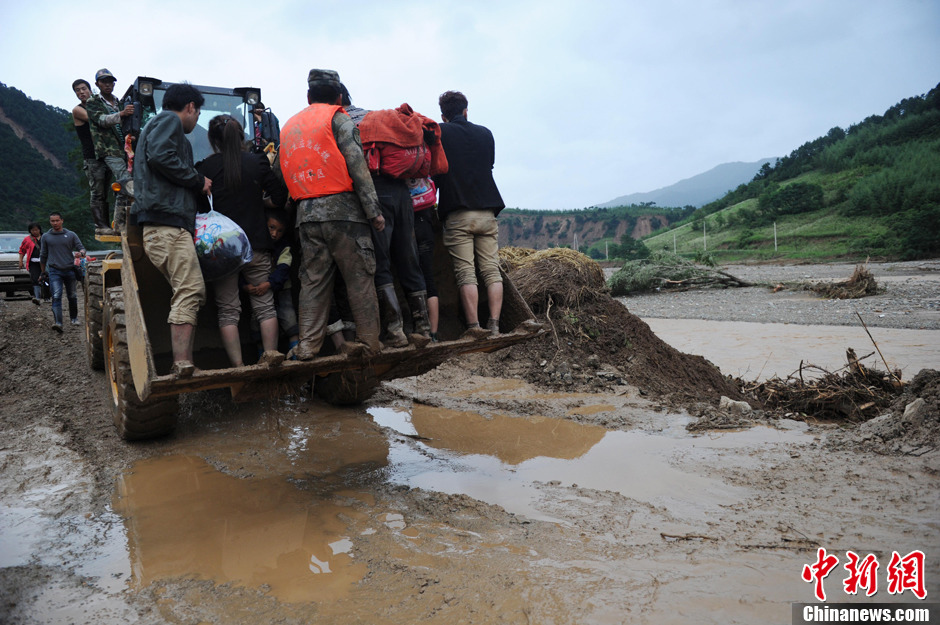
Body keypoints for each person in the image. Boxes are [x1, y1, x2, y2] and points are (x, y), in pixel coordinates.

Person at [278, 68, 386, 360]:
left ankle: (308, 346)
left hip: (307, 215)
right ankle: (368, 343)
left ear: (309, 96)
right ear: (339, 96)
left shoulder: (289, 126)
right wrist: (374, 211)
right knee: (360, 278)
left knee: (313, 282)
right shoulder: (339, 119)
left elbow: (281, 170)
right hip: (345, 214)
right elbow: (357, 167)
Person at [131, 83, 212, 378]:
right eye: (198, 112)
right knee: (190, 289)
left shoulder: (157, 125)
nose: (196, 119)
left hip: (164, 226)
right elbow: (162, 156)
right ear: (190, 106)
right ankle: (181, 364)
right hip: (166, 227)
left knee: (187, 290)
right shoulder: (168, 121)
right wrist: (197, 179)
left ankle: (184, 362)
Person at [341, 86, 432, 348]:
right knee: (409, 259)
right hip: (402, 193)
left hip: (375, 194)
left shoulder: (342, 122)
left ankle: (395, 331)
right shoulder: (374, 117)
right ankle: (423, 329)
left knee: (380, 262)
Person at [196, 114, 287, 368]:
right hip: (256, 243)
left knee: (228, 311)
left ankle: (238, 368)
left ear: (214, 140)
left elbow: (201, 207)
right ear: (241, 136)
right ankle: (270, 360)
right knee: (265, 307)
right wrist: (261, 203)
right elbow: (279, 197)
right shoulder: (257, 162)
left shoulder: (205, 168)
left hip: (223, 249)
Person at [433, 90, 505, 339]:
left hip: (458, 213)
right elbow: (489, 166)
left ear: (443, 116)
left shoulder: (440, 134)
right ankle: (495, 325)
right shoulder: (486, 134)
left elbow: (436, 174)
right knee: (491, 271)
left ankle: (474, 328)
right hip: (487, 212)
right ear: (466, 110)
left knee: (466, 273)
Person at [243, 210, 300, 355]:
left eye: (280, 230)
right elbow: (241, 270)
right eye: (272, 228)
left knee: (290, 320)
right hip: (258, 291)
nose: (275, 234)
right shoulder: (255, 245)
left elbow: (283, 269)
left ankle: (296, 355)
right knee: (257, 322)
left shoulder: (284, 247)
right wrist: (244, 285)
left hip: (282, 290)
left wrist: (269, 284)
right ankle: (263, 358)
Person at [84, 69, 135, 232]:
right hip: (106, 148)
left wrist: (130, 136)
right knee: (124, 181)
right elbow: (101, 120)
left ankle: (123, 222)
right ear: (97, 84)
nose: (108, 84)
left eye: (110, 81)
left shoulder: (119, 101)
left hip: (122, 148)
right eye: (104, 81)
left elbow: (125, 125)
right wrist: (122, 113)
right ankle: (117, 224)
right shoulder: (93, 102)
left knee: (124, 183)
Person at [71, 79, 110, 230]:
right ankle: (100, 224)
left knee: (107, 192)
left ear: (90, 89)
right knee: (97, 192)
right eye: (77, 91)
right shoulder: (78, 110)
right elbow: (96, 119)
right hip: (92, 157)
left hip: (106, 154)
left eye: (83, 89)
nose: (81, 92)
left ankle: (107, 224)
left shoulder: (100, 104)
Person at [39, 213, 85, 333]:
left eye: (57, 221)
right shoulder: (46, 237)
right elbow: (43, 255)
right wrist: (43, 272)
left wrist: (81, 253)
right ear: (50, 222)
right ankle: (58, 322)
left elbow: (82, 248)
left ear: (62, 221)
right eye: (52, 221)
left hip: (69, 269)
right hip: (55, 271)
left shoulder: (70, 235)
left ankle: (74, 318)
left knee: (72, 296)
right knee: (56, 295)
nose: (55, 223)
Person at [18, 222, 44, 304]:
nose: (35, 231)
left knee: (46, 277)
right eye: (33, 230)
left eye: (36, 230)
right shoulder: (27, 239)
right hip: (33, 262)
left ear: (40, 230)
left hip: (45, 262)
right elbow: (22, 250)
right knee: (35, 279)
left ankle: (47, 296)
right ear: (30, 231)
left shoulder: (45, 238)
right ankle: (37, 297)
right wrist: (20, 261)